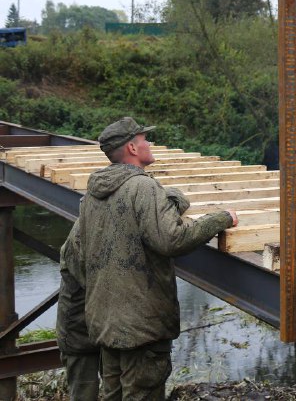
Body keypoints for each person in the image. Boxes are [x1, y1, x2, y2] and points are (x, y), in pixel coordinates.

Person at [78, 117, 238, 400]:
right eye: (144, 139)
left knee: (113, 394)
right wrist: (220, 219)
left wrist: (166, 200)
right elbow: (171, 239)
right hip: (140, 328)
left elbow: (84, 251)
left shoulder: (93, 192)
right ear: (132, 148)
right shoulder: (142, 187)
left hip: (105, 322)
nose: (150, 143)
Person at [56, 222, 100, 400]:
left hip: (101, 332)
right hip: (79, 335)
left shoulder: (98, 224)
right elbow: (98, 287)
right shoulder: (79, 236)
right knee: (84, 394)